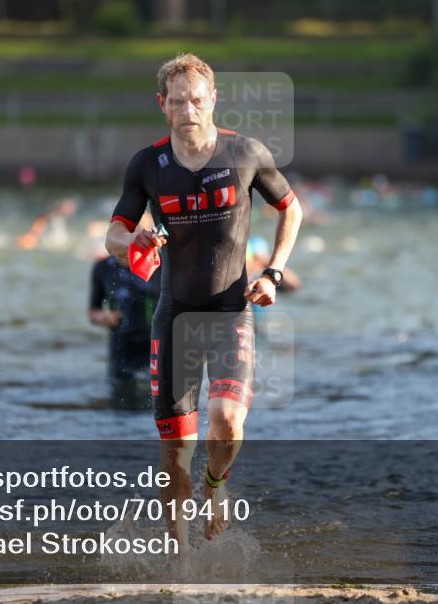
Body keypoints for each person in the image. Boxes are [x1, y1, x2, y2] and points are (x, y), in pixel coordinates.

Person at [105, 53, 302, 546]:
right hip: (174, 319)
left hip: (231, 311)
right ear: (163, 105)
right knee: (175, 456)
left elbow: (291, 208)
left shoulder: (246, 153)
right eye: (178, 102)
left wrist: (273, 273)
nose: (189, 109)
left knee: (228, 421)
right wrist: (134, 243)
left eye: (197, 100)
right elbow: (113, 234)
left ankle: (215, 487)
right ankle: (180, 563)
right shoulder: (147, 165)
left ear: (213, 100)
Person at [89, 246, 161, 411]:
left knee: (152, 407)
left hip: (154, 346)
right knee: (120, 405)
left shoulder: (160, 264)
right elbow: (93, 312)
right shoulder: (103, 267)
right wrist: (103, 317)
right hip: (121, 348)